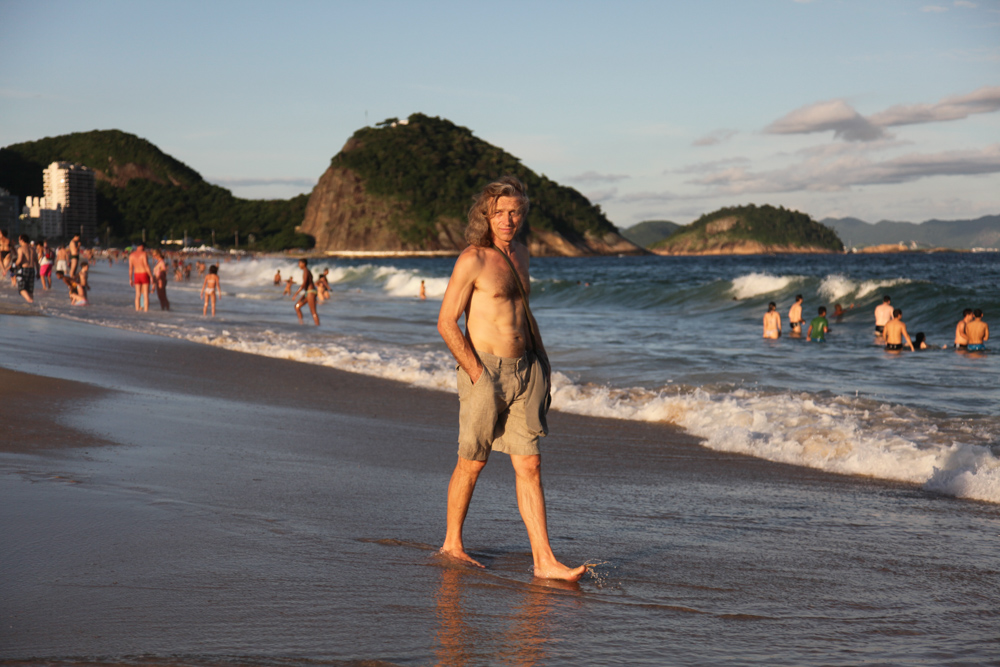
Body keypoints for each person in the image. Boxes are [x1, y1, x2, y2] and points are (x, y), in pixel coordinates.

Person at [437, 176, 586, 582]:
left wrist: (540, 359)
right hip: (485, 371)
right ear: (486, 213)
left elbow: (520, 312)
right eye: (500, 212)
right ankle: (452, 543)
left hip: (526, 370)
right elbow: (446, 322)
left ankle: (545, 561)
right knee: (473, 461)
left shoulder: (521, 253)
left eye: (515, 211)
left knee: (531, 464)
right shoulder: (473, 259)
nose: (508, 219)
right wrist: (477, 374)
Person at [292, 259, 320, 325]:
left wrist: (296, 294)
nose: (298, 265)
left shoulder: (306, 271)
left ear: (303, 264)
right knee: (297, 307)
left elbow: (304, 284)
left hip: (311, 292)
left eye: (299, 263)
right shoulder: (306, 271)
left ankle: (318, 327)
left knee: (313, 312)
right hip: (308, 293)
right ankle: (301, 323)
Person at [128, 241, 153, 312]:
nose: (144, 248)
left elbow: (130, 268)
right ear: (141, 246)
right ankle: (146, 311)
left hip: (136, 275)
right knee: (145, 294)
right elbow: (146, 265)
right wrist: (151, 276)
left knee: (137, 294)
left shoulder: (131, 255)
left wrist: (130, 279)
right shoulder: (144, 254)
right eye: (144, 247)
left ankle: (137, 310)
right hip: (144, 273)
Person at [14, 234, 37, 303]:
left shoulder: (21, 249)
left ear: (22, 240)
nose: (19, 241)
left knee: (22, 288)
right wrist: (38, 272)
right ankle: (32, 304)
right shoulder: (33, 249)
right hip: (32, 270)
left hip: (24, 269)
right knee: (30, 289)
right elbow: (36, 262)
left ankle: (30, 301)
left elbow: (20, 259)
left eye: (19, 240)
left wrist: (15, 264)